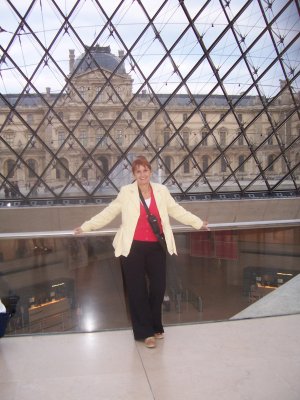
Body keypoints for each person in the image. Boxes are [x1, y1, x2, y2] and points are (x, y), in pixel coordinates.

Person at [74, 156, 208, 348]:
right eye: (138, 171)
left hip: (156, 247)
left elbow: (177, 210)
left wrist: (198, 223)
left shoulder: (161, 191)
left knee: (158, 288)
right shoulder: (126, 192)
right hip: (133, 248)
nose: (143, 174)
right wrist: (86, 227)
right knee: (137, 291)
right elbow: (108, 213)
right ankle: (146, 333)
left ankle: (155, 324)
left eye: (145, 170)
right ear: (134, 174)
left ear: (150, 172)